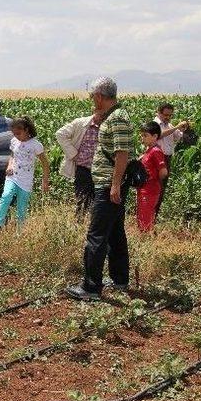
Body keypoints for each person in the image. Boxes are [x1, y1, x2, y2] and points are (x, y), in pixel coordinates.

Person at [66, 77, 134, 301]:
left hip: (108, 186)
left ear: (100, 96)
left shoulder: (116, 119)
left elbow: (122, 154)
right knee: (115, 233)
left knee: (96, 236)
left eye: (92, 96)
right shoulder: (114, 117)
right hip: (109, 185)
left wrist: (115, 184)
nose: (92, 100)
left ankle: (91, 288)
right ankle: (119, 279)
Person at [0, 117, 49, 233]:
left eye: (18, 133)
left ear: (27, 130)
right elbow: (12, 155)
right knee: (6, 196)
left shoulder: (35, 145)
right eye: (14, 133)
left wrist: (45, 180)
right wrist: (9, 166)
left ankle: (19, 232)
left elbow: (45, 164)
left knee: (21, 208)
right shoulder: (14, 141)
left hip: (26, 180)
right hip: (13, 176)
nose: (16, 136)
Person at [56, 111, 102, 218]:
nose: (103, 117)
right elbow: (60, 134)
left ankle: (93, 227)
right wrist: (73, 154)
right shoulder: (80, 123)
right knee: (82, 201)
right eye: (101, 113)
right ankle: (79, 226)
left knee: (99, 203)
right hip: (83, 169)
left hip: (101, 171)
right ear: (94, 111)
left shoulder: (108, 127)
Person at [154, 103, 189, 216]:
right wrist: (177, 127)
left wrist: (186, 129)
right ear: (159, 113)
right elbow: (158, 135)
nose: (168, 117)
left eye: (170, 115)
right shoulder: (154, 124)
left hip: (167, 159)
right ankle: (149, 215)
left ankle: (154, 215)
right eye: (165, 115)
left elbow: (180, 136)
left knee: (162, 188)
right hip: (156, 160)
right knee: (155, 187)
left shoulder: (169, 125)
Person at [137, 121, 168, 233]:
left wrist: (152, 180)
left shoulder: (155, 151)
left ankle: (145, 241)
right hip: (144, 189)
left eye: (145, 135)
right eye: (142, 135)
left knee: (145, 218)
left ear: (155, 136)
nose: (142, 138)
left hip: (150, 190)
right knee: (142, 217)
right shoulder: (148, 150)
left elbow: (163, 172)